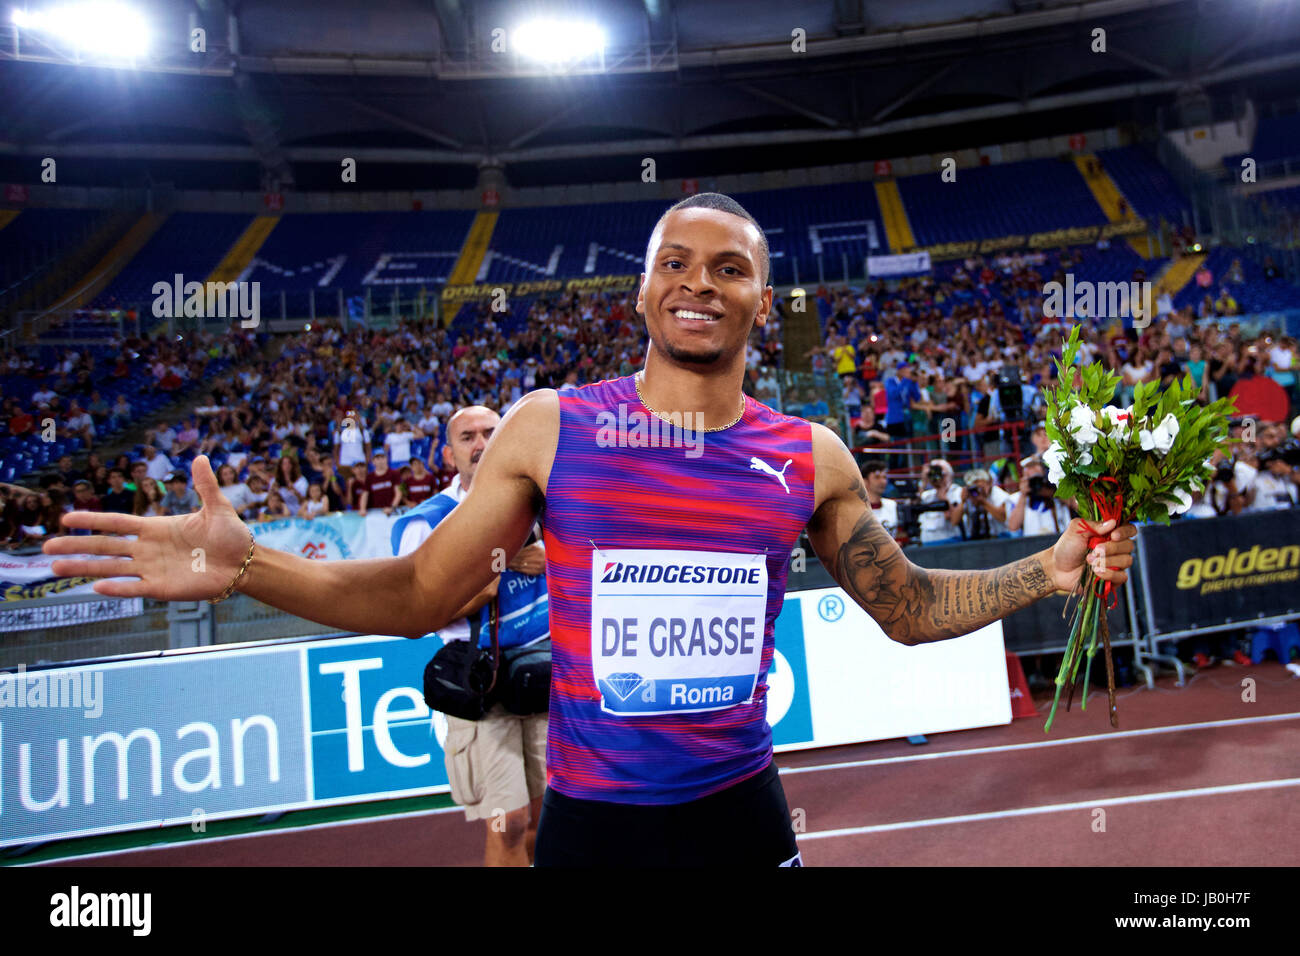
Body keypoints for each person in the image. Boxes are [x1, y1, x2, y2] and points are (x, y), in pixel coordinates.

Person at [47, 192, 1136, 868]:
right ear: (641, 293)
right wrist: (249, 564)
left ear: (765, 298)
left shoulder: (809, 455)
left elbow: (905, 609)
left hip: (741, 823)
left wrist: (1047, 567)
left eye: (728, 267)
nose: (698, 283)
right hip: (595, 833)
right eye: (675, 261)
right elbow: (421, 594)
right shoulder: (552, 428)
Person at [390, 406, 551, 867]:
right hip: (482, 690)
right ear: (448, 453)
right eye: (467, 437)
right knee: (510, 824)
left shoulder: (543, 506)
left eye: (490, 433)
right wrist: (502, 566)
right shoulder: (427, 522)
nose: (481, 444)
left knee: (546, 821)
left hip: (544, 680)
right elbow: (418, 613)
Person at [918, 458, 963, 545]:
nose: (937, 478)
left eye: (942, 474)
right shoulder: (928, 495)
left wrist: (943, 498)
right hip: (927, 542)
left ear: (950, 475)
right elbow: (918, 501)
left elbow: (953, 519)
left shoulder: (957, 492)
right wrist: (924, 481)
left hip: (948, 540)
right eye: (932, 474)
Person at [859, 459, 898, 539]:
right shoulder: (857, 509)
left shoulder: (892, 505)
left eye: (884, 477)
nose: (883, 481)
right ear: (864, 481)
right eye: (877, 477)